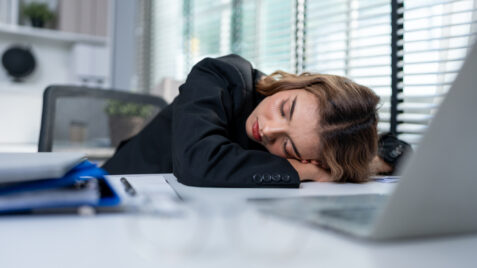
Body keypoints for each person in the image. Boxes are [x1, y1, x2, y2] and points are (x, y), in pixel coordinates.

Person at [103, 54, 402, 187]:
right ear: (298, 84)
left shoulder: (324, 144)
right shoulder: (222, 75)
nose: (269, 130)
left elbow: (400, 153)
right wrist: (299, 170)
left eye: (289, 147)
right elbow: (198, 162)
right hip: (115, 188)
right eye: (286, 109)